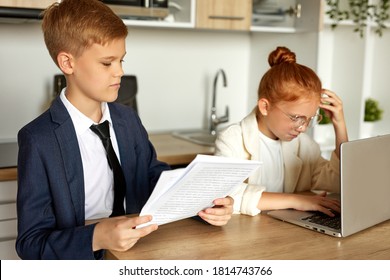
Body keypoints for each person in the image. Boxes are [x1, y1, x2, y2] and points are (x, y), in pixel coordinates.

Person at [16, 0, 233, 260]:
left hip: (137, 255)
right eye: (107, 63)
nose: (120, 71)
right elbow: (31, 243)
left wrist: (204, 202)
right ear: (68, 63)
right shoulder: (39, 139)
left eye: (121, 60)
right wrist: (97, 236)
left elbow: (152, 178)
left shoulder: (127, 120)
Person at [215, 46, 348, 218]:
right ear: (265, 106)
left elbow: (339, 182)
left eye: (310, 118)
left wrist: (339, 124)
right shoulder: (232, 139)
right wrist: (297, 200)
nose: (303, 127)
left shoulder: (305, 145)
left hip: (284, 234)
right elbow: (224, 194)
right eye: (296, 118)